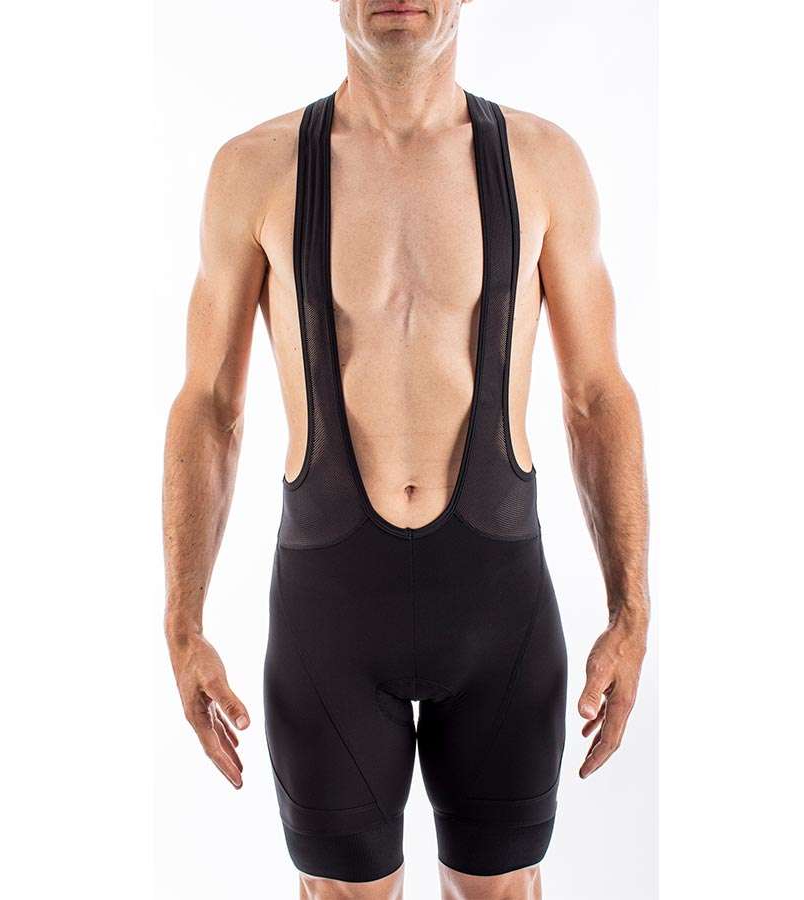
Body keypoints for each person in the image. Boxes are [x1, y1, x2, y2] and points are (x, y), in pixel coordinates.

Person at [163, 2, 649, 897]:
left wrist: (631, 607)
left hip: (498, 610)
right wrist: (183, 621)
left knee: (503, 889)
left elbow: (595, 395)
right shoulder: (255, 170)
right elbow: (209, 406)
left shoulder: (543, 163)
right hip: (330, 618)